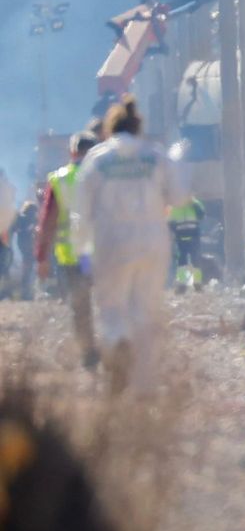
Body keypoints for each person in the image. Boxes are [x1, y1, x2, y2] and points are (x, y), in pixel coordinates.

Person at [73, 96, 186, 396]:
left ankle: (118, 342)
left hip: (111, 242)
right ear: (138, 127)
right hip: (152, 242)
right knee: (146, 311)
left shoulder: (97, 159)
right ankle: (145, 386)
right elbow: (180, 196)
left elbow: (80, 210)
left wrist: (80, 250)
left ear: (110, 129)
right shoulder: (157, 156)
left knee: (112, 307)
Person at [35, 132, 99, 368]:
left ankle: (89, 354)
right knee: (113, 302)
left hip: (72, 256)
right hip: (106, 253)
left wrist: (42, 257)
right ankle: (120, 349)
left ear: (71, 152)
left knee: (80, 306)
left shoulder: (60, 178)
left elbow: (47, 222)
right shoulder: (104, 175)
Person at [168, 194, 205, 292]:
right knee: (181, 262)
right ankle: (182, 284)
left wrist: (193, 203)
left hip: (193, 237)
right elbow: (170, 223)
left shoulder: (194, 204)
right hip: (181, 238)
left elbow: (201, 214)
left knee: (196, 260)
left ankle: (197, 283)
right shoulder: (174, 207)